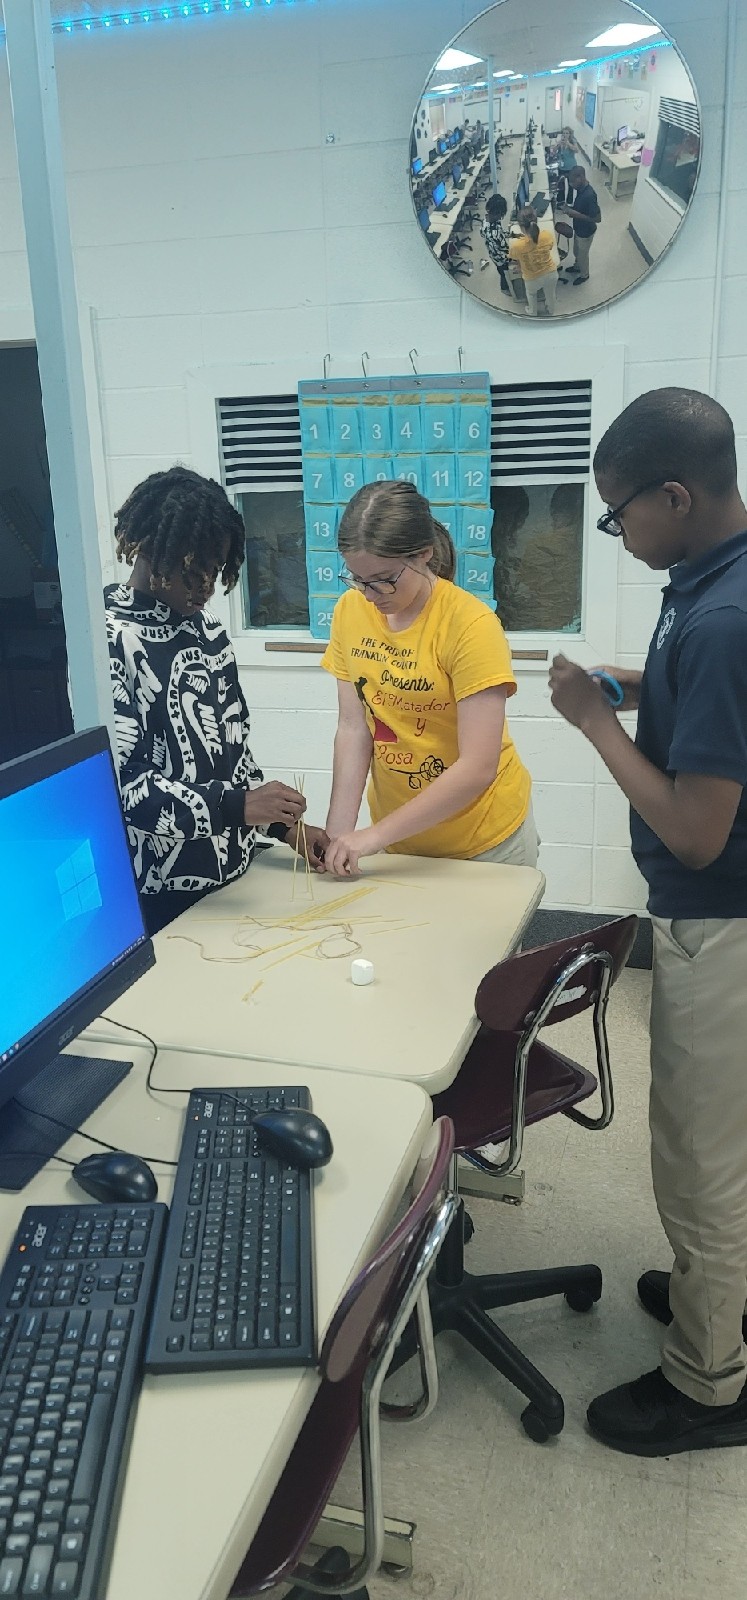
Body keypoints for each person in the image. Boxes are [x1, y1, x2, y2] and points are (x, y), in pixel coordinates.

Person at [549, 387, 747, 1457]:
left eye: (621, 515)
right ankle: (713, 1297)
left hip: (723, 918)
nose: (617, 535)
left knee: (698, 1159)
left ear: (676, 493)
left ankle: (710, 1382)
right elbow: (702, 714)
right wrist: (630, 682)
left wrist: (593, 723)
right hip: (724, 912)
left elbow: (699, 828)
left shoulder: (721, 618)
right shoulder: (706, 576)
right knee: (723, 1141)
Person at [106, 465, 327, 935]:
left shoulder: (208, 633)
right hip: (159, 889)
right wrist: (240, 806)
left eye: (216, 572)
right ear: (149, 549)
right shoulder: (108, 639)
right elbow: (124, 789)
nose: (206, 588)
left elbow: (234, 756)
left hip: (233, 873)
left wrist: (284, 828)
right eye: (194, 571)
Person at [319, 479, 535, 879]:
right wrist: (338, 833)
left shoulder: (471, 625)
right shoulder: (350, 611)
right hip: (400, 840)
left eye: (384, 579)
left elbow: (477, 766)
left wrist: (371, 838)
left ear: (423, 555)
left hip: (482, 842)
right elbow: (354, 728)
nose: (370, 594)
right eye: (357, 578)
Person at [508, 206, 558, 316]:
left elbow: (516, 260)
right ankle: (551, 310)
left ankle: (532, 312)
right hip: (551, 273)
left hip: (532, 278)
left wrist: (520, 267)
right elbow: (549, 248)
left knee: (531, 295)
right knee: (550, 294)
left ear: (521, 227)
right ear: (536, 221)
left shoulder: (516, 245)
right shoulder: (547, 235)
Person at [557, 165, 600, 286]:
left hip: (586, 232)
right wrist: (569, 209)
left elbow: (596, 218)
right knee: (577, 251)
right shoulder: (580, 190)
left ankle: (584, 274)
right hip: (578, 228)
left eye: (572, 182)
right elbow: (581, 209)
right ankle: (577, 267)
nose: (571, 185)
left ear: (580, 178)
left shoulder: (590, 195)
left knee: (583, 255)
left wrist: (575, 214)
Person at [479, 193, 511, 293]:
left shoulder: (488, 218)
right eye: (501, 214)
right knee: (504, 273)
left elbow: (499, 233)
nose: (502, 217)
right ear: (498, 213)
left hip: (493, 252)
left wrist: (510, 234)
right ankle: (504, 289)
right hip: (500, 257)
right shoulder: (493, 232)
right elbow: (503, 248)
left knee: (502, 271)